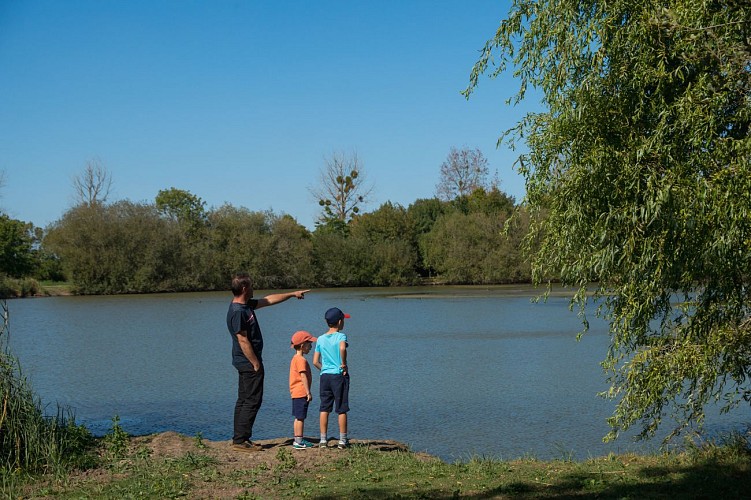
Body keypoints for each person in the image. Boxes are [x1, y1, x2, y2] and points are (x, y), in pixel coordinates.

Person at [226, 272, 309, 452]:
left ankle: (240, 438)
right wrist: (255, 362)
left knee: (244, 399)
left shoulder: (245, 306)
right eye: (252, 285)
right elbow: (242, 340)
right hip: (248, 363)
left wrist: (292, 294)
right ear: (245, 288)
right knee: (252, 400)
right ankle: (241, 441)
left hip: (246, 362)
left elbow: (268, 300)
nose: (254, 288)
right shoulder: (237, 312)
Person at [313, 307, 351, 449]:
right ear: (340, 321)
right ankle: (343, 440)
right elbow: (342, 348)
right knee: (341, 408)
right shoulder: (341, 336)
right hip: (338, 375)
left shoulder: (321, 339)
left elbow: (315, 361)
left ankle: (323, 440)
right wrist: (343, 364)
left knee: (324, 407)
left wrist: (324, 369)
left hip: (325, 377)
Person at [289, 330, 317, 449]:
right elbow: (303, 376)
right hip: (301, 392)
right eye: (309, 343)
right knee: (301, 417)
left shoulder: (295, 358)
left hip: (295, 392)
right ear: (302, 346)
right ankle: (299, 442)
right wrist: (308, 392)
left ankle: (297, 439)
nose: (311, 346)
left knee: (297, 417)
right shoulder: (301, 360)